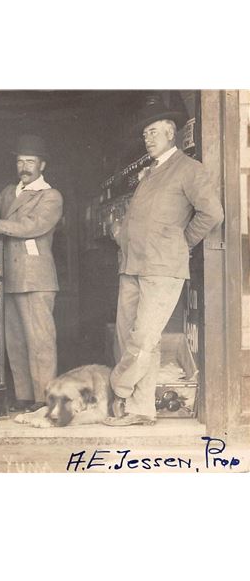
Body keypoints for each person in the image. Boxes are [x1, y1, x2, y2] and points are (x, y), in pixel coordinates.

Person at [104, 99, 224, 426]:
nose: (148, 138)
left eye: (154, 132)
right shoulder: (151, 172)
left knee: (142, 337)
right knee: (135, 338)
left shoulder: (189, 170)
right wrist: (121, 232)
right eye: (145, 134)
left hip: (162, 268)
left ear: (171, 133)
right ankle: (142, 409)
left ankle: (117, 388)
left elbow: (212, 214)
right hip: (132, 265)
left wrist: (181, 243)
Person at [0, 134, 63, 412]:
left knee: (40, 341)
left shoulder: (50, 196)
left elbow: (32, 226)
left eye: (30, 161)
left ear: (42, 165)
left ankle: (45, 397)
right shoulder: (11, 192)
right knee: (16, 341)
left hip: (36, 277)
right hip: (11, 276)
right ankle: (25, 397)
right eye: (20, 161)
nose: (24, 166)